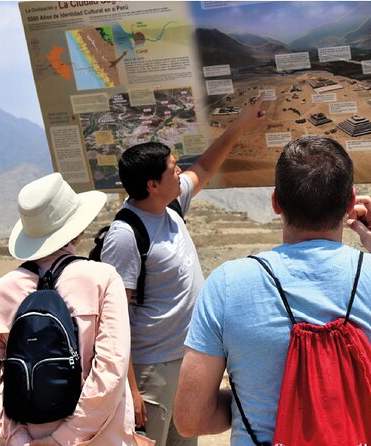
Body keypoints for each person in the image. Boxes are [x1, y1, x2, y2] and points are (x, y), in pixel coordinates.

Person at [173, 136, 371, 444]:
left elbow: (191, 419)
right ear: (351, 202)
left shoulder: (227, 284)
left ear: (276, 202)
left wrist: (254, 396)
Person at [100, 96, 266, 446]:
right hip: (151, 372)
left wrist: (241, 123)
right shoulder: (126, 236)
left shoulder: (171, 205)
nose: (180, 172)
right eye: (173, 168)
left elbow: (204, 168)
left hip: (187, 362)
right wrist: (130, 389)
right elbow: (114, 320)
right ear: (152, 185)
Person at [0, 172, 151, 446]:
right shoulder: (102, 279)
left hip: (27, 437)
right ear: (76, 231)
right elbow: (111, 369)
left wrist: (17, 439)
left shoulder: (0, 291)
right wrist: (65, 438)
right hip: (100, 438)